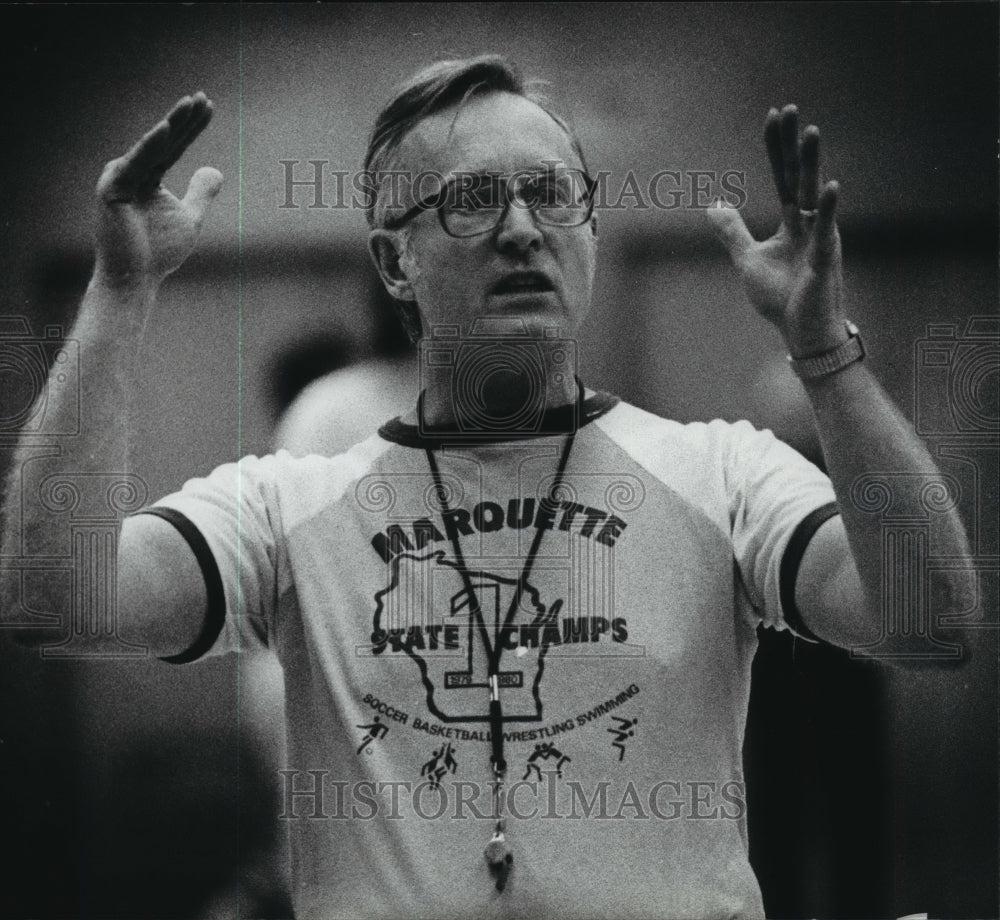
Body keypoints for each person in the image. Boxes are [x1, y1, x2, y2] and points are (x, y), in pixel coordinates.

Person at [1, 56, 971, 919]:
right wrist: (115, 299)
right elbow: (54, 595)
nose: (522, 229)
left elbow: (929, 617)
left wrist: (823, 356)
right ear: (394, 260)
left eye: (553, 194)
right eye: (471, 200)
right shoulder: (287, 506)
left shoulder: (719, 473)